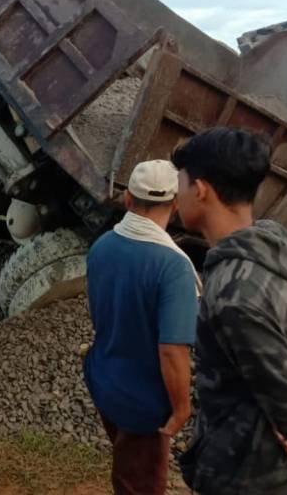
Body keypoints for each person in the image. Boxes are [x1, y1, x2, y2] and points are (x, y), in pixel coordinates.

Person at [172, 127, 287, 495]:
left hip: (249, 478)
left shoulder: (234, 294)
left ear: (200, 190)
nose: (176, 194)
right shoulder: (275, 245)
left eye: (180, 183)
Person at [84, 160, 200, 495]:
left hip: (104, 379)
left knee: (126, 466)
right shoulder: (174, 266)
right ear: (175, 205)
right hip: (143, 403)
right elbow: (172, 349)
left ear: (128, 200)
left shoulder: (102, 246)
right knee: (138, 485)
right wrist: (181, 408)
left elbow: (98, 311)